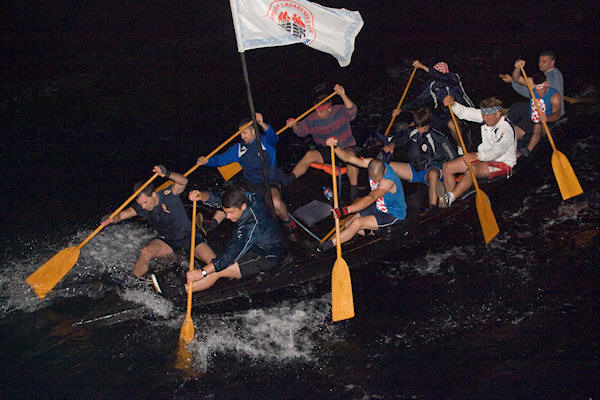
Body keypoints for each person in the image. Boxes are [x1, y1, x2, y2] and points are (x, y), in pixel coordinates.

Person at [101, 165, 215, 278]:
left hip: (190, 237)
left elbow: (183, 181)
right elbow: (121, 215)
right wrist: (110, 218)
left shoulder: (168, 195)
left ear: (154, 194)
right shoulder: (141, 207)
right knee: (146, 251)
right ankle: (131, 281)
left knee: (214, 263)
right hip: (168, 240)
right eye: (140, 204)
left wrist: (167, 173)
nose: (143, 207)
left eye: (145, 202)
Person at [196, 113, 297, 235]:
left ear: (253, 131)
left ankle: (287, 222)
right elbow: (220, 160)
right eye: (240, 133)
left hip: (269, 182)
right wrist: (207, 161)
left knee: (275, 203)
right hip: (249, 183)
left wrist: (261, 123)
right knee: (232, 198)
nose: (241, 136)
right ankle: (212, 224)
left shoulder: (264, 141)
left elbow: (273, 137)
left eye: (245, 133)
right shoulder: (238, 148)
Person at [185, 185, 290, 293]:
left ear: (243, 206)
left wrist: (202, 272)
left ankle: (180, 292)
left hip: (267, 255)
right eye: (226, 212)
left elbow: (232, 253)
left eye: (231, 213)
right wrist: (201, 195)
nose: (227, 217)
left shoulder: (250, 224)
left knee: (217, 271)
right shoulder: (241, 196)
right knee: (215, 263)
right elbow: (216, 197)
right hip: (255, 243)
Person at [318, 137, 407, 252]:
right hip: (379, 207)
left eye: (376, 179)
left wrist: (346, 210)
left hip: (393, 214)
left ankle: (324, 248)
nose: (374, 181)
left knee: (357, 223)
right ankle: (372, 234)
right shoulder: (372, 163)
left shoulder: (388, 181)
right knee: (348, 224)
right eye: (372, 178)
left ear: (383, 172)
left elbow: (371, 197)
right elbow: (349, 158)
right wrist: (335, 147)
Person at [285, 84, 360, 201]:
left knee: (351, 158)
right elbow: (301, 131)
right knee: (310, 155)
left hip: (345, 146)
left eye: (320, 111)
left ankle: (353, 191)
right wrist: (294, 125)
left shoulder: (339, 110)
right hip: (327, 149)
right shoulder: (312, 118)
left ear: (329, 108)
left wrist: (343, 95)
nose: (317, 114)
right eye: (316, 110)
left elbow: (352, 112)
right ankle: (288, 180)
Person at [440, 96, 516, 207]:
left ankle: (452, 196)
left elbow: (497, 151)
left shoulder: (505, 129)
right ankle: (450, 201)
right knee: (447, 167)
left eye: (488, 116)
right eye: (483, 115)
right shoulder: (487, 116)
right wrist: (453, 104)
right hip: (484, 158)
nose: (485, 118)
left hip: (502, 163)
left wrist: (478, 156)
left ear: (498, 114)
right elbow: (465, 113)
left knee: (473, 170)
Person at [381, 107, 458, 211]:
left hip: (432, 170)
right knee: (385, 166)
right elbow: (398, 138)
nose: (418, 129)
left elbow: (452, 156)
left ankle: (432, 208)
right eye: (417, 126)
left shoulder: (438, 136)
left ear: (428, 124)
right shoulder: (411, 131)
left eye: (421, 127)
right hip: (414, 169)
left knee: (433, 174)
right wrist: (392, 145)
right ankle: (390, 203)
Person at [400, 60, 475, 149]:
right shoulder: (433, 85)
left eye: (437, 73)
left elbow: (442, 77)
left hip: (461, 112)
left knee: (452, 125)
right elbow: (419, 100)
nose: (435, 76)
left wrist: (422, 66)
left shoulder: (453, 78)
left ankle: (460, 149)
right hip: (443, 114)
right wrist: (402, 109)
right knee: (417, 123)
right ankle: (401, 144)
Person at [503, 60, 562, 156]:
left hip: (546, 122)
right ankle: (508, 149)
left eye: (542, 89)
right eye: (537, 90)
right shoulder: (531, 83)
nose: (539, 92)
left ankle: (527, 150)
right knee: (513, 130)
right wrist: (517, 68)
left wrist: (547, 118)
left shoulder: (555, 96)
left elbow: (557, 115)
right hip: (532, 116)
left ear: (546, 84)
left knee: (537, 127)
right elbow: (516, 78)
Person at [500, 50, 565, 118]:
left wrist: (513, 79)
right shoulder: (553, 74)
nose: (540, 64)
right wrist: (517, 69)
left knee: (517, 108)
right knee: (518, 108)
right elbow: (519, 80)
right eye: (540, 61)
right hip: (544, 110)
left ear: (552, 63)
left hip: (551, 115)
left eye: (544, 62)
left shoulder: (553, 75)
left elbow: (524, 85)